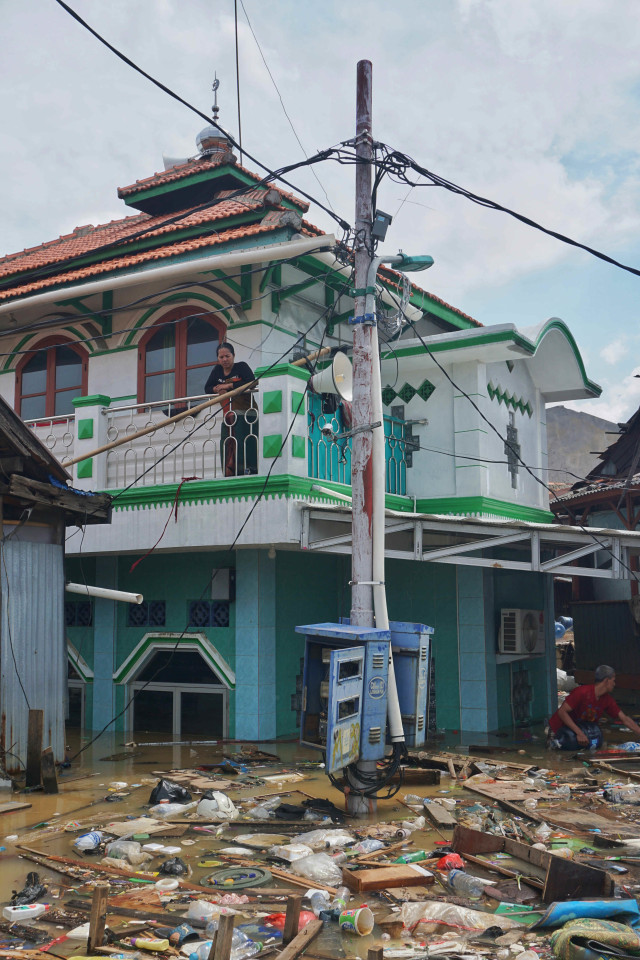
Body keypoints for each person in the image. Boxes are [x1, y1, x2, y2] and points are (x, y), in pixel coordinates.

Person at [548, 665, 640, 750]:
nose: (614, 684)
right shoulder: (582, 692)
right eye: (613, 680)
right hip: (560, 730)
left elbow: (624, 719)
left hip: (578, 732)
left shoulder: (607, 699)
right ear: (607, 681)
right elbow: (562, 712)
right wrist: (579, 733)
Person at [205, 342, 257, 476]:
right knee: (229, 443)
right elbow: (207, 388)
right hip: (228, 414)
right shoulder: (217, 370)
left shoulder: (241, 367)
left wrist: (229, 386)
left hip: (246, 414)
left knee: (245, 443)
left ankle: (247, 469)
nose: (224, 360)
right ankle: (230, 471)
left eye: (227, 356)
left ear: (233, 355)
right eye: (221, 357)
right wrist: (216, 389)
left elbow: (252, 382)